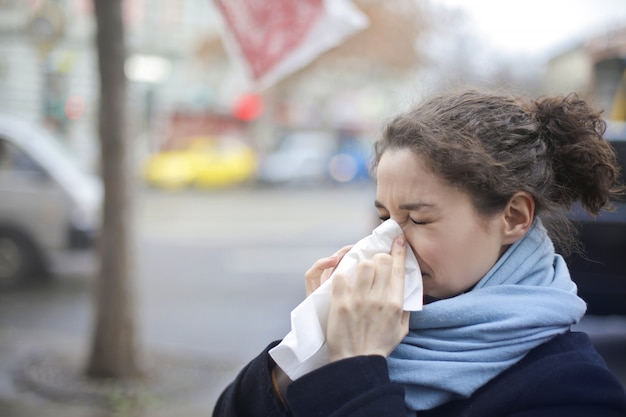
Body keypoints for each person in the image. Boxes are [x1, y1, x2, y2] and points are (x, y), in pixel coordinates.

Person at [213, 89, 626, 417]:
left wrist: (355, 369)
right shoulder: (377, 328)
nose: (389, 243)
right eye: (383, 218)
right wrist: (310, 349)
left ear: (514, 216)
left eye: (418, 219)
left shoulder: (572, 388)